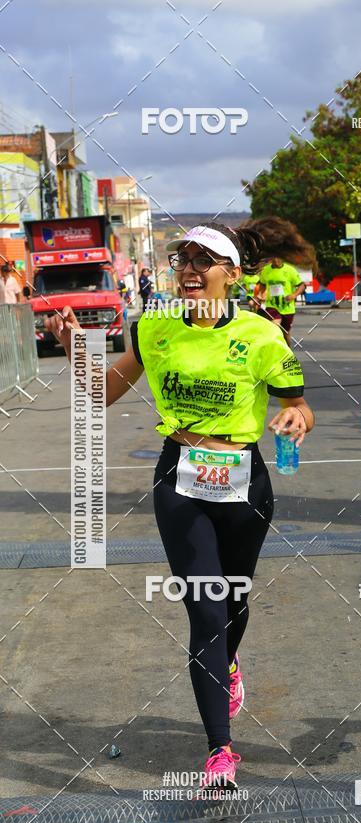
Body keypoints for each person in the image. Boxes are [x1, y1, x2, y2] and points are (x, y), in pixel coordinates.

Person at [45, 222, 314, 789]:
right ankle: (220, 750)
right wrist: (75, 346)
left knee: (235, 601)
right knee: (207, 610)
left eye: (204, 261)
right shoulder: (155, 328)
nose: (190, 270)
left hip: (244, 482)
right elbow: (102, 390)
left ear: (232, 274)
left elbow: (298, 404)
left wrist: (294, 418)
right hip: (180, 480)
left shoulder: (264, 335)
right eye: (183, 259)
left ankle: (229, 666)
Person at [256, 257, 305, 346]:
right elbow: (262, 284)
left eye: (279, 259)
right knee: (275, 327)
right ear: (271, 259)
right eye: (275, 259)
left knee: (285, 333)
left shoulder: (290, 270)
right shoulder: (266, 270)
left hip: (287, 307)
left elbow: (302, 285)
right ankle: (275, 350)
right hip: (272, 305)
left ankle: (288, 353)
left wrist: (294, 295)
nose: (277, 261)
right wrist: (261, 294)